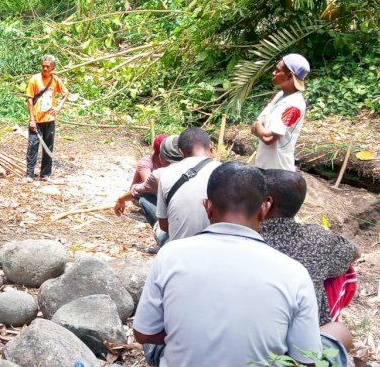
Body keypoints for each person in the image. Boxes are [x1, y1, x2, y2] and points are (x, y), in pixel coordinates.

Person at [134, 161, 352, 367]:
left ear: (207, 207)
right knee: (337, 333)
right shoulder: (294, 272)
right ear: (264, 209)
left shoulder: (170, 254)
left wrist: (185, 330)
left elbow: (143, 334)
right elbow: (307, 359)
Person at [261, 169, 361, 326]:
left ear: (267, 202)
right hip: (305, 333)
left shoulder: (244, 236)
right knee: (342, 266)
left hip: (256, 329)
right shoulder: (318, 238)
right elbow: (355, 252)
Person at [115, 135, 183, 251]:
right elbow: (147, 186)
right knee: (144, 196)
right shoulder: (148, 163)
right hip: (149, 194)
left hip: (163, 196)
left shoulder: (163, 173)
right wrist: (121, 199)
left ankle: (164, 238)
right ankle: (163, 236)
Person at [156, 127, 220, 241]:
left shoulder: (167, 173)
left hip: (180, 251)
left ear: (180, 152)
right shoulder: (226, 172)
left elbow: (164, 225)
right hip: (217, 248)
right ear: (211, 145)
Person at [252, 53, 310, 171]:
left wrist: (258, 126)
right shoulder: (279, 96)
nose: (273, 73)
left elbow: (268, 138)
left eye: (277, 70)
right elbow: (257, 125)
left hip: (278, 169)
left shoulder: (294, 105)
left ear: (289, 76)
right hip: (264, 164)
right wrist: (259, 127)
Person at [25, 54, 70, 181]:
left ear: (52, 68)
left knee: (48, 147)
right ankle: (29, 174)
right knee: (33, 146)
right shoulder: (34, 79)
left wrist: (59, 107)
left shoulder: (55, 80)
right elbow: (29, 99)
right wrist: (32, 119)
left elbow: (65, 93)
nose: (45, 69)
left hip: (49, 119)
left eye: (48, 67)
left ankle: (45, 174)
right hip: (37, 120)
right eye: (43, 66)